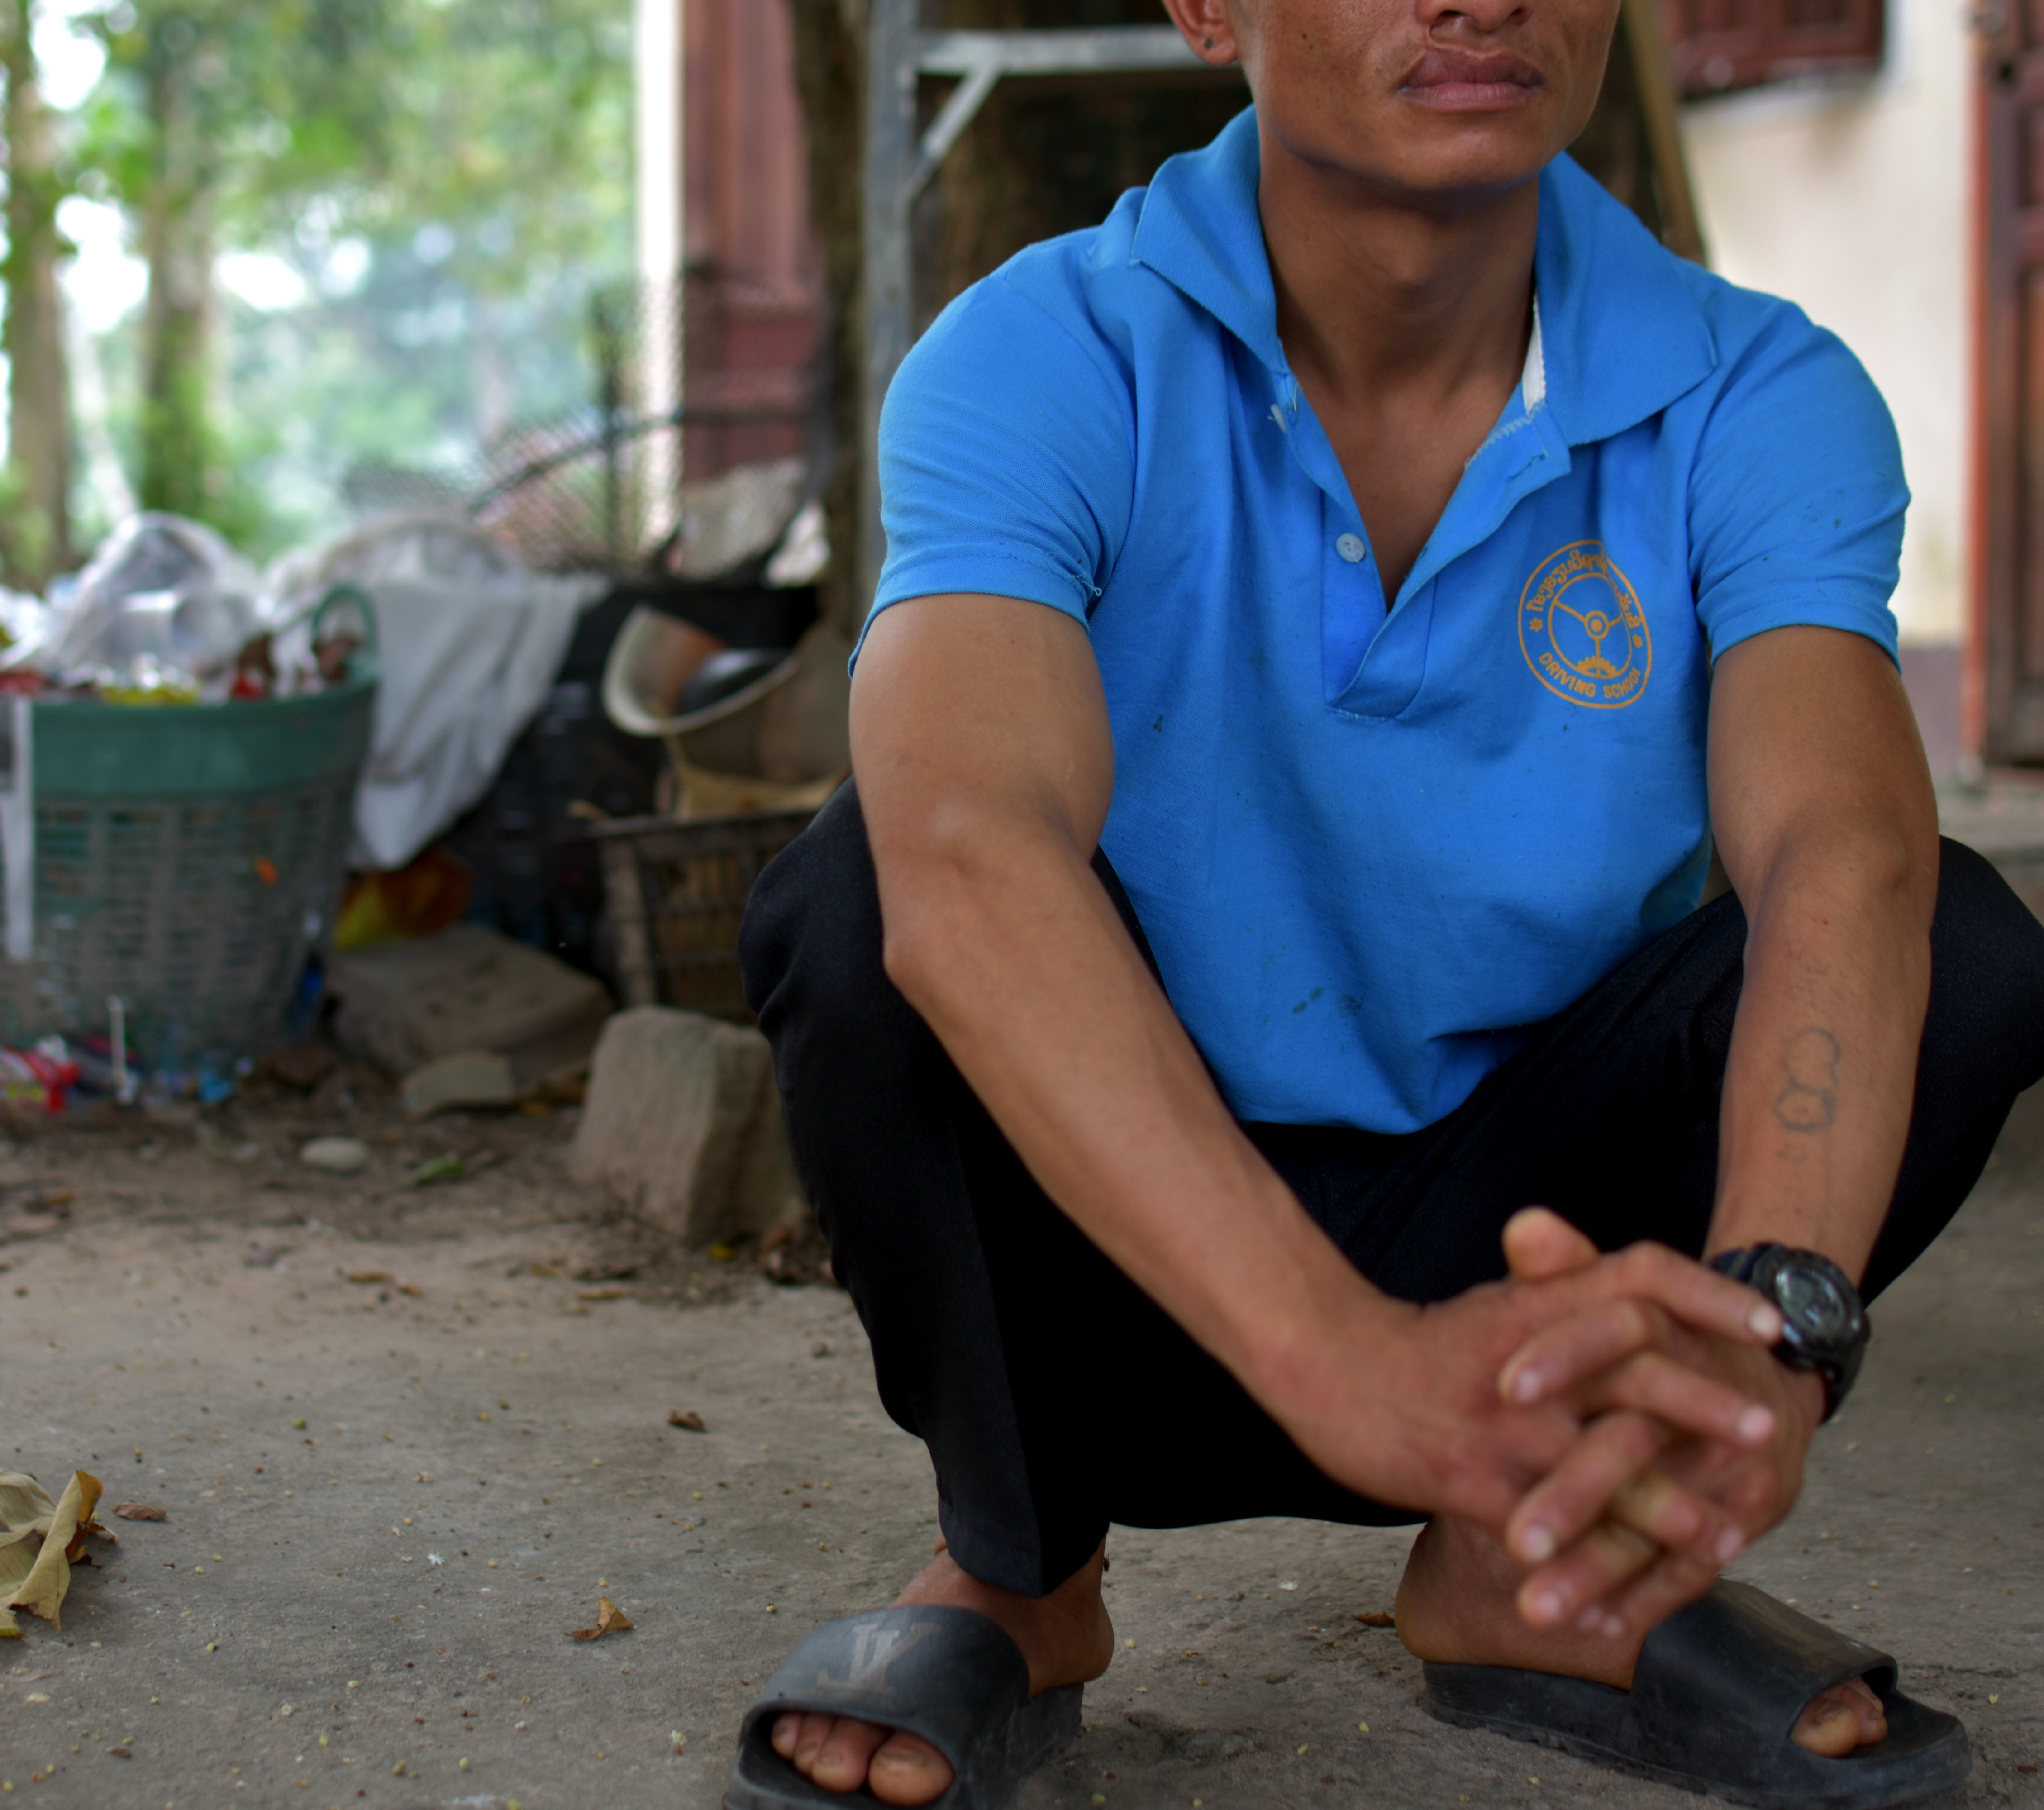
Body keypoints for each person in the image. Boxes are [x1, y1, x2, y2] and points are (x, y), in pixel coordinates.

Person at [721, 0, 2044, 1803]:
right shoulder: (1047, 351)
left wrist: (1771, 1326)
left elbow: (1841, 852)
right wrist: (1345, 1361)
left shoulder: (1757, 390)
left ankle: (1545, 1556)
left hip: (1542, 1267)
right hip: (1126, 1270)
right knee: (871, 871)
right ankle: (1019, 1567)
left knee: (1954, 938)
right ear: (1208, 6)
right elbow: (965, 851)